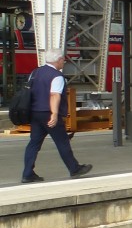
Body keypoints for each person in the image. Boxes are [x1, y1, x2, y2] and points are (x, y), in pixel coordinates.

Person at [22, 50, 92, 183]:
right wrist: (54, 114)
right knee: (62, 141)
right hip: (49, 113)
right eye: (63, 60)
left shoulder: (35, 72)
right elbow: (54, 95)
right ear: (58, 60)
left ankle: (27, 173)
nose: (63, 62)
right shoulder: (57, 76)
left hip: (35, 113)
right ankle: (74, 168)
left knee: (34, 143)